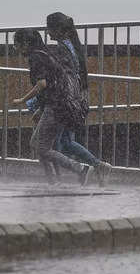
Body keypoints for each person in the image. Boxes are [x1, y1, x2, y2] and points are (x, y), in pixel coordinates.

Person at [12, 28, 93, 186]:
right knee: (37, 143)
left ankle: (80, 168)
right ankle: (53, 181)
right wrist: (40, 109)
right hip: (58, 105)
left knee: (42, 147)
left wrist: (22, 100)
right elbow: (54, 84)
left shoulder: (36, 57)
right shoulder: (46, 53)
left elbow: (42, 84)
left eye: (17, 45)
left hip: (57, 107)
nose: (17, 49)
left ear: (27, 44)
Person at [46, 12, 113, 187]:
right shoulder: (72, 46)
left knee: (56, 142)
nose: (47, 32)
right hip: (75, 99)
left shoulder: (62, 49)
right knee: (65, 141)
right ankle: (97, 166)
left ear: (59, 29)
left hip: (66, 100)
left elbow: (60, 77)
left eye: (49, 28)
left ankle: (61, 178)